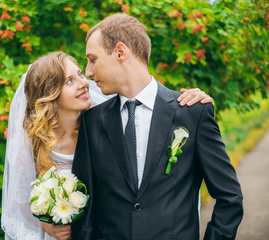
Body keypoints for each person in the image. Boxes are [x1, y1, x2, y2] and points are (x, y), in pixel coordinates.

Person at [0, 51, 213, 240]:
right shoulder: (31, 148)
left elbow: (152, 116)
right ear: (49, 95)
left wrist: (197, 102)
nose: (84, 83)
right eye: (69, 81)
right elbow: (20, 202)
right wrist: (47, 224)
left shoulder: (106, 121)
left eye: (80, 74)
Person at [71, 14, 243, 240]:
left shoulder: (192, 113)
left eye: (93, 59)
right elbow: (85, 207)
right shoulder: (91, 121)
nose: (89, 71)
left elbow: (229, 197)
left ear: (120, 52)